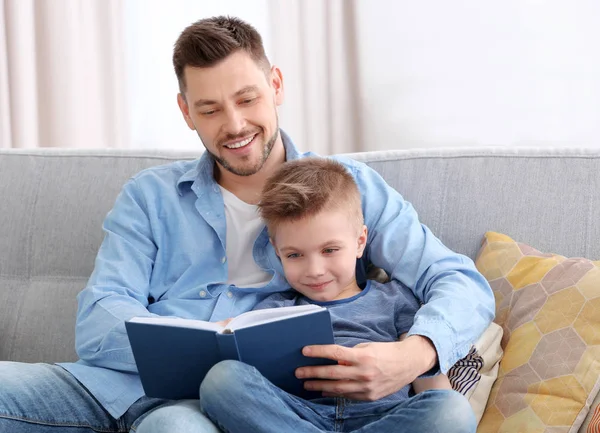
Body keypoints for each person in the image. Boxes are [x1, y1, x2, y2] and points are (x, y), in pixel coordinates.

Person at [0, 16, 493, 433]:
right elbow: (101, 315)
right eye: (210, 109)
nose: (234, 125)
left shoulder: (347, 187)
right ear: (186, 112)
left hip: (212, 409)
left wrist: (415, 355)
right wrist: (193, 343)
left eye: (248, 99)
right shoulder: (149, 196)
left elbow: (457, 280)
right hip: (112, 384)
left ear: (275, 86)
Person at [201, 157, 472, 433]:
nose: (315, 271)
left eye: (330, 250)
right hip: (297, 417)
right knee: (220, 380)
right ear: (277, 251)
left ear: (360, 242)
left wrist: (444, 408)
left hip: (381, 418)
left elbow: (431, 386)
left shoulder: (395, 298)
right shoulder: (275, 308)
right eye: (294, 255)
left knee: (452, 410)